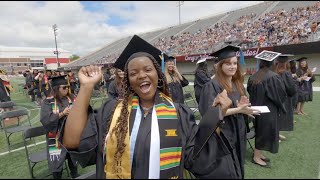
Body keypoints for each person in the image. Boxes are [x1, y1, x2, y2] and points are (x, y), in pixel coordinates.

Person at [62, 35, 242, 179]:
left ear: (158, 74)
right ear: (128, 80)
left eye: (148, 70)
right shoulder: (111, 112)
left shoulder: (178, 113)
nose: (141, 75)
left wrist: (217, 113)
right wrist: (86, 86)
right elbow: (72, 142)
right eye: (133, 73)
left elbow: (196, 155)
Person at [198, 43, 259, 178]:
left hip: (238, 130)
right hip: (223, 133)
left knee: (238, 163)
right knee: (227, 168)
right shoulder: (211, 86)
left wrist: (245, 107)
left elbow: (240, 108)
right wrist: (239, 110)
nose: (232, 67)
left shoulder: (237, 84)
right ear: (220, 66)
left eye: (234, 63)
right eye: (228, 64)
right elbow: (209, 114)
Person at [247, 51, 287, 168]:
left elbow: (250, 91)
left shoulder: (254, 76)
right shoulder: (272, 77)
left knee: (260, 131)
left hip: (256, 109)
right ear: (273, 62)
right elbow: (279, 94)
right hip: (268, 110)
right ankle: (256, 157)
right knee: (264, 133)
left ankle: (258, 154)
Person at [40, 75, 79, 179]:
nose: (67, 89)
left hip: (71, 134)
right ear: (56, 88)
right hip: (56, 136)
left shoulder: (71, 98)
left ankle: (75, 174)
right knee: (56, 160)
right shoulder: (48, 102)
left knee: (73, 155)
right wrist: (62, 114)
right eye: (64, 87)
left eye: (67, 87)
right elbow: (45, 120)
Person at [273, 55, 297, 139]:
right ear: (287, 63)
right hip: (284, 99)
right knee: (280, 116)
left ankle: (276, 134)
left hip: (274, 98)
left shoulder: (272, 72)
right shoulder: (286, 73)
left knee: (276, 116)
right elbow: (291, 90)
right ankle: (275, 135)